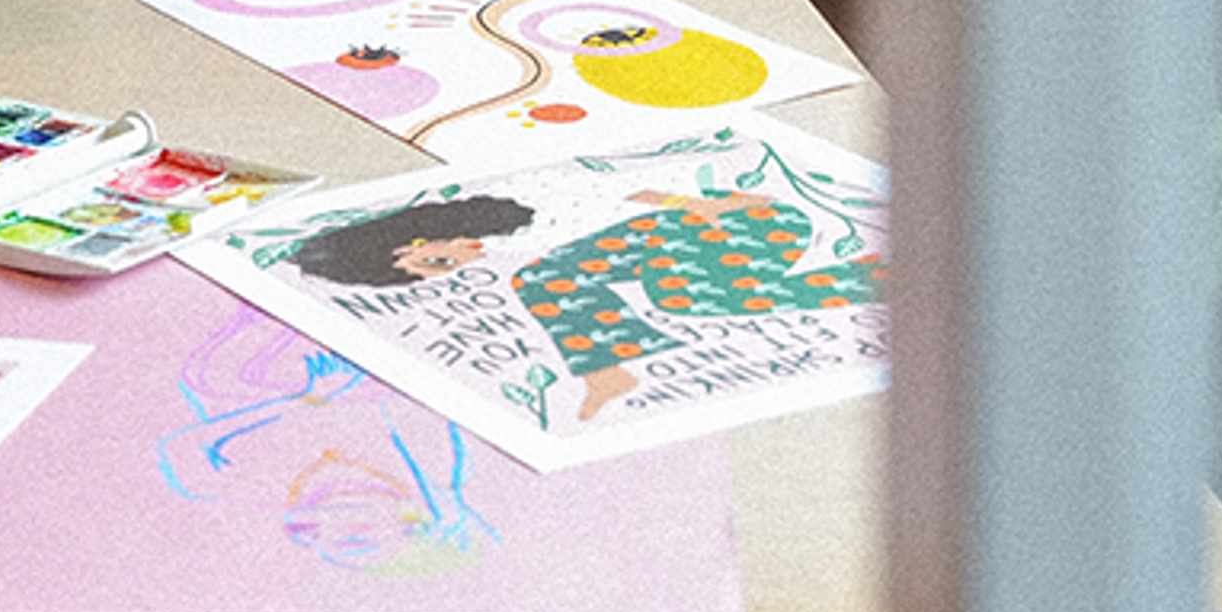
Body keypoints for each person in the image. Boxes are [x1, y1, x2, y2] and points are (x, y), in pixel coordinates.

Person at [283, 186, 884, 421]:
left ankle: (876, 277)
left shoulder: (536, 225)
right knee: (561, 281)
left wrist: (714, 207)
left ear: (415, 241)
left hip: (743, 225)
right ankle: (607, 371)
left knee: (688, 292)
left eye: (433, 263)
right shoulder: (519, 256)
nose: (454, 267)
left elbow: (642, 201)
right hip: (703, 238)